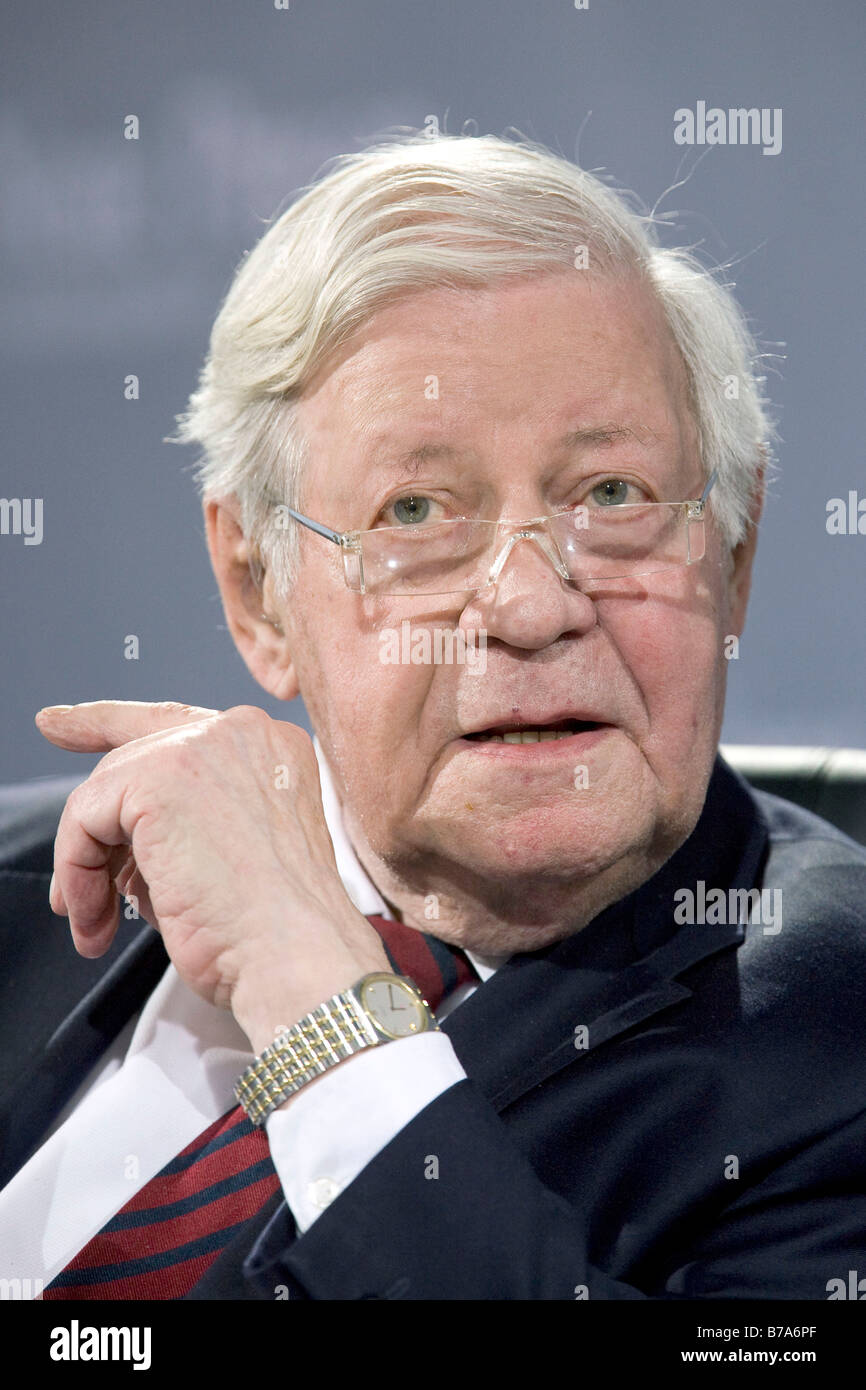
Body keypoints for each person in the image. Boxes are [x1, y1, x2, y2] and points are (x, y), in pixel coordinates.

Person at [1, 132, 864, 1301]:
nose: (526, 605)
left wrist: (312, 993)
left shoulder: (831, 1044)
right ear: (257, 589)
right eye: (416, 510)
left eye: (610, 495)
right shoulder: (32, 887)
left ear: (734, 554)